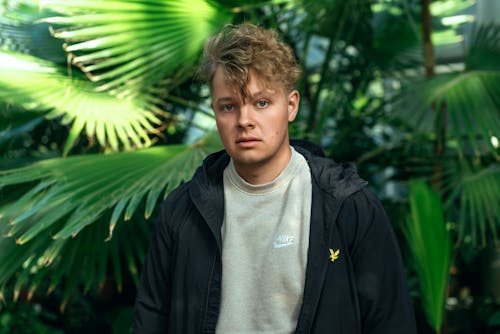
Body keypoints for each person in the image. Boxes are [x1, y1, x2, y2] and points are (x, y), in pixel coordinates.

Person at [133, 23, 417, 334]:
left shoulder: (347, 204)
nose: (245, 121)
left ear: (291, 105)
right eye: (228, 107)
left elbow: (391, 321)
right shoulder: (182, 211)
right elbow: (151, 320)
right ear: (215, 111)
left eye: (261, 103)